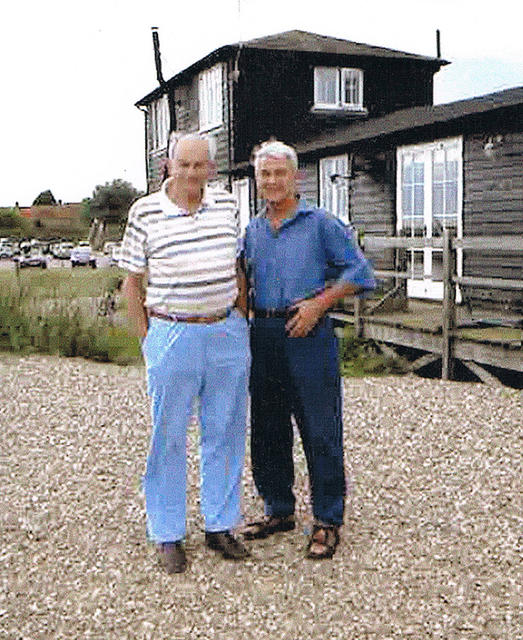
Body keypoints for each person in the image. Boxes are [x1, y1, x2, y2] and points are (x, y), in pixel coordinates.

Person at [120, 132, 251, 574]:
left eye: (201, 166)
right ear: (168, 165)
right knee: (168, 436)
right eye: (184, 165)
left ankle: (219, 525)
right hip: (172, 332)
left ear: (212, 169)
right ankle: (168, 532)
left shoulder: (229, 206)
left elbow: (237, 268)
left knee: (226, 430)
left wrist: (240, 320)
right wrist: (148, 341)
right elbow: (132, 283)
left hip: (224, 332)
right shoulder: (144, 212)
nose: (192, 173)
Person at [242, 140, 375, 559]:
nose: (272, 181)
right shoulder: (252, 230)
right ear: (258, 179)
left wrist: (320, 304)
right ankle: (278, 508)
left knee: (320, 428)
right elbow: (241, 280)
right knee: (267, 428)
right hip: (263, 334)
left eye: (280, 173)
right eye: (265, 174)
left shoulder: (321, 224)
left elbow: (361, 272)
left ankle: (327, 519)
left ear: (295, 177)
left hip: (308, 333)